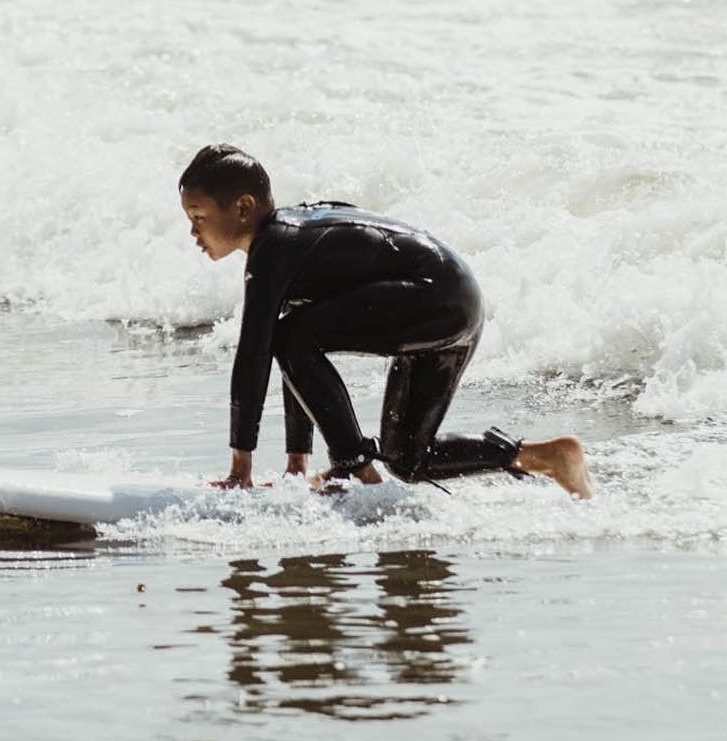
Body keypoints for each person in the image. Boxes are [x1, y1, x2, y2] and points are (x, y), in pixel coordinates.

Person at [178, 144, 593, 498]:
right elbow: (292, 359)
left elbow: (256, 352)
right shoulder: (289, 242)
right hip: (455, 302)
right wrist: (295, 464)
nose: (194, 231)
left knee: (290, 338)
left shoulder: (274, 247)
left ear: (243, 208)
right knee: (408, 459)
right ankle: (548, 456)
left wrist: (240, 471)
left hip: (435, 294)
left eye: (198, 216)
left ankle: (355, 469)